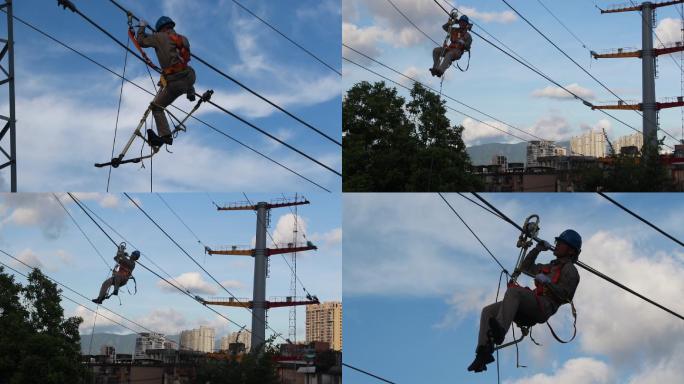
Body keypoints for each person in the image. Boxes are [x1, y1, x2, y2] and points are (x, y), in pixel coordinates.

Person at [467, 229, 582, 373]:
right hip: (532, 303)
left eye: (561, 243)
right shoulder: (550, 266)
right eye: (557, 242)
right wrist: (537, 249)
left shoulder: (570, 270)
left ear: (571, 251)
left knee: (514, 292)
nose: (557, 245)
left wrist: (547, 283)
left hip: (543, 307)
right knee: (488, 311)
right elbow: (525, 267)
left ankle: (501, 330)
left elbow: (566, 295)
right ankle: (483, 354)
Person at [136, 16, 196, 147]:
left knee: (157, 107)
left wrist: (142, 27)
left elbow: (141, 41)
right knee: (183, 72)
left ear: (160, 29)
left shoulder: (159, 37)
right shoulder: (183, 39)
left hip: (176, 83)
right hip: (190, 76)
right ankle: (190, 91)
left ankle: (166, 136)